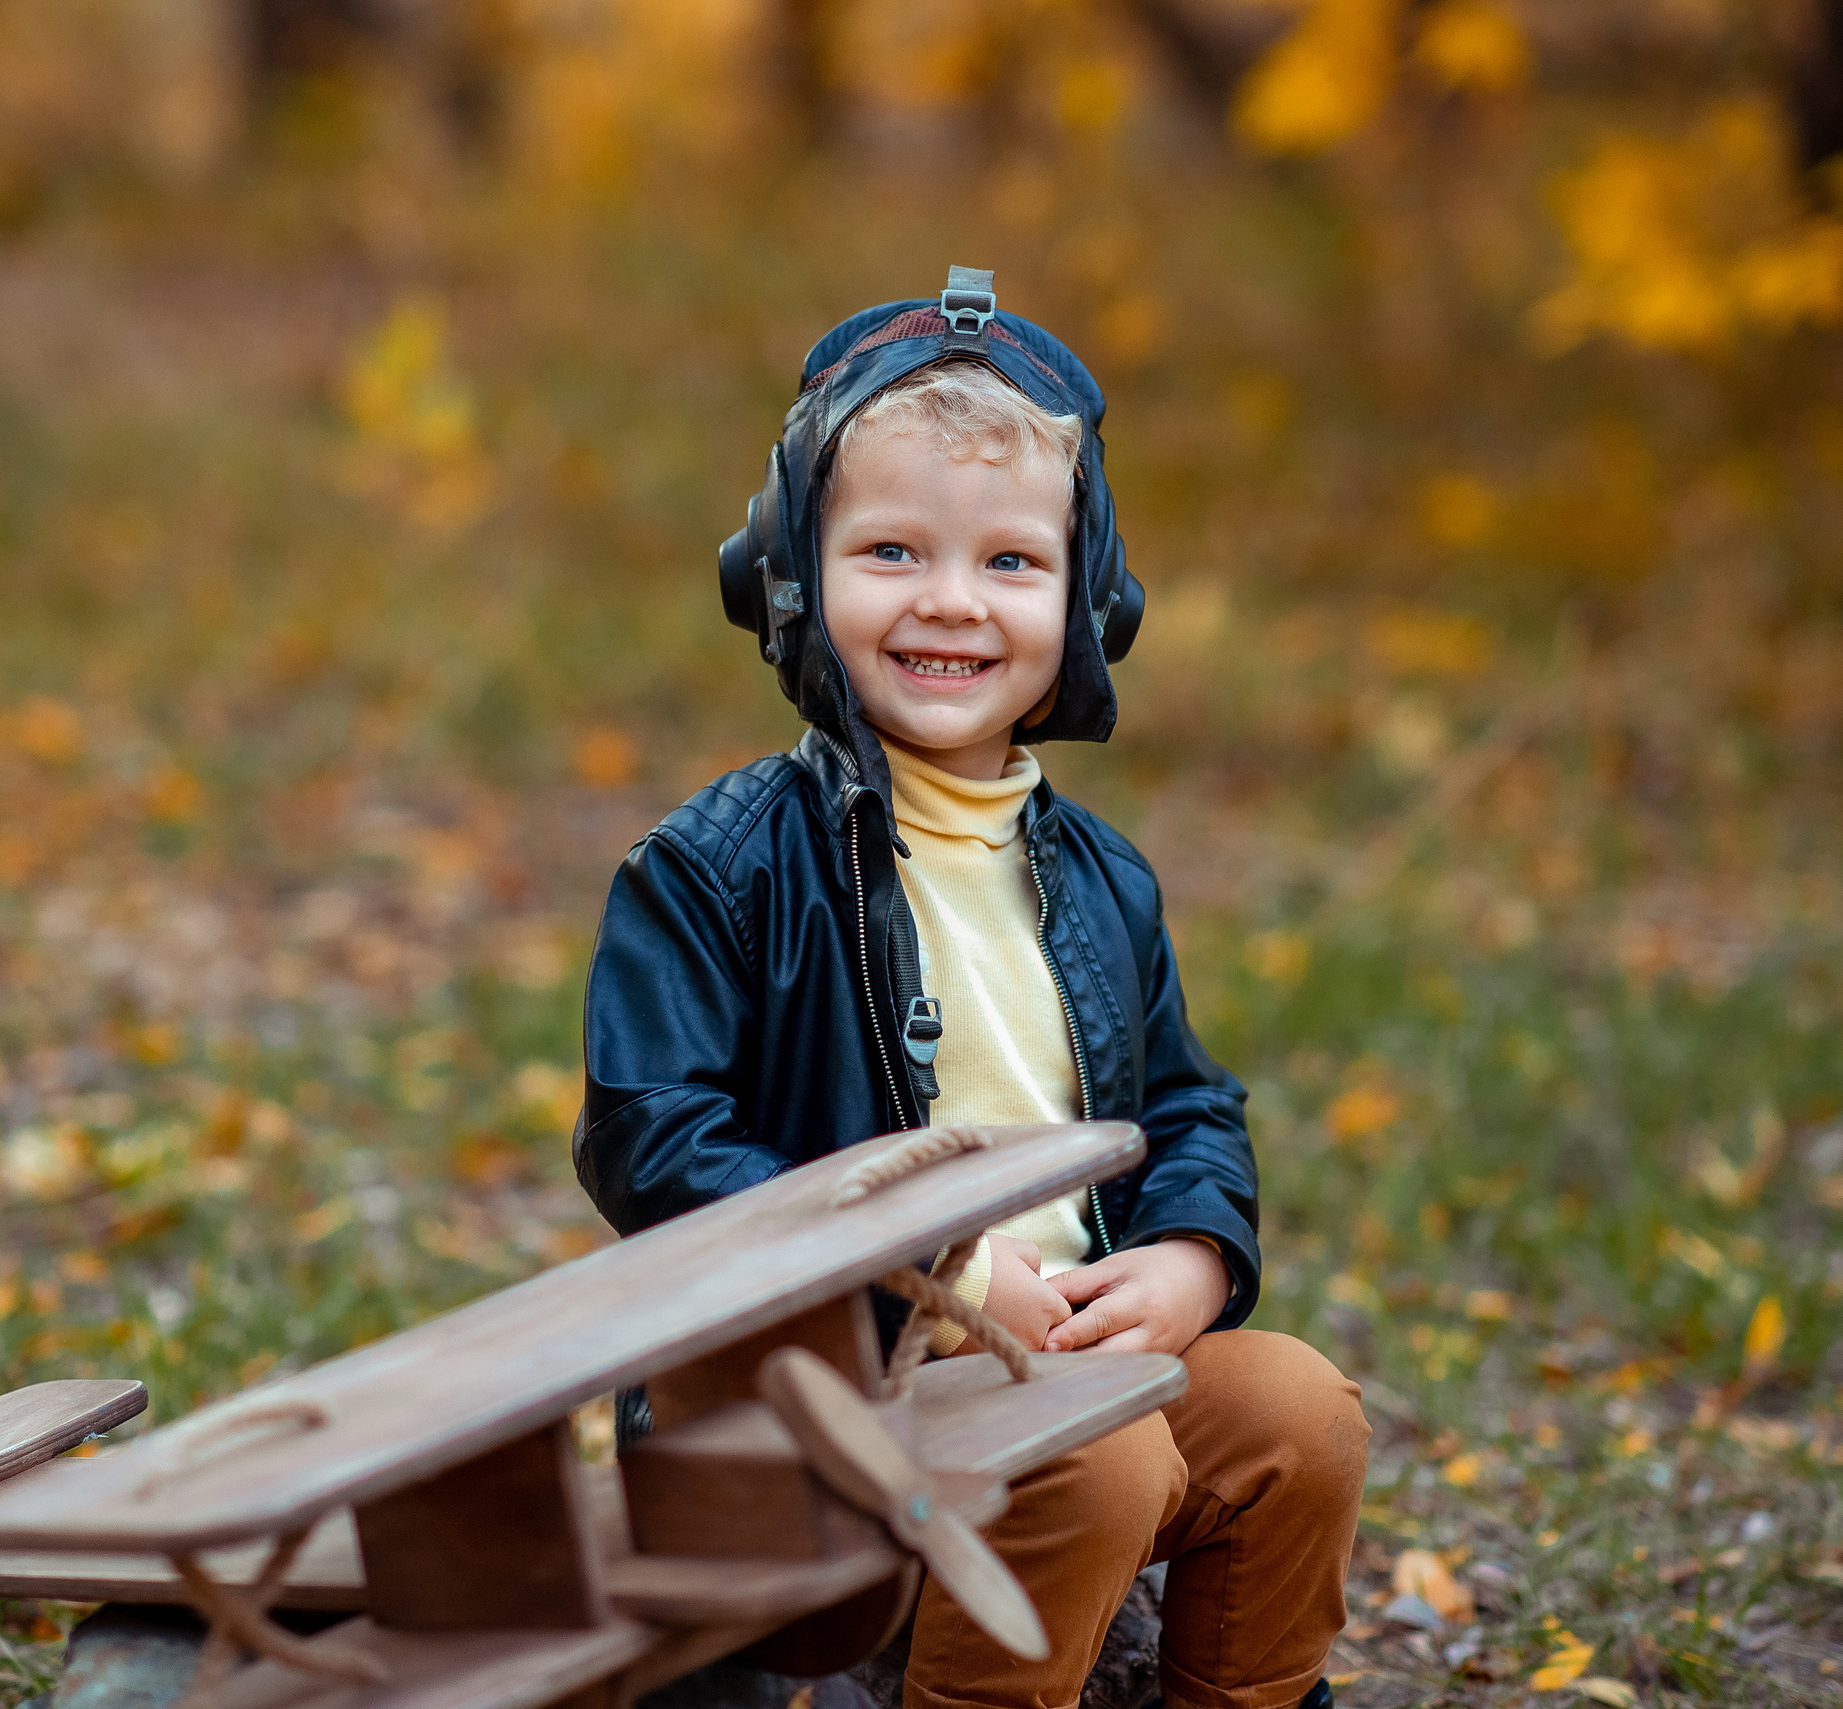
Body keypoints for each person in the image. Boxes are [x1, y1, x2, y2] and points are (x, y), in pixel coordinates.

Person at [574, 269, 1370, 1709]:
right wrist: (924, 1259)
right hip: (812, 1391)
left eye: (1010, 562)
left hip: (1053, 1352)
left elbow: (1187, 1100)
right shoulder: (718, 867)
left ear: (1091, 601)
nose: (951, 600)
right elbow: (651, 1136)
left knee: (1301, 1413)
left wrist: (1193, 1252)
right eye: (891, 549)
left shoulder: (1104, 877)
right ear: (788, 573)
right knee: (1111, 1452)